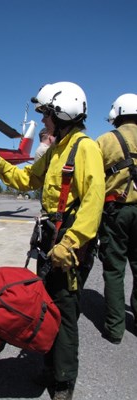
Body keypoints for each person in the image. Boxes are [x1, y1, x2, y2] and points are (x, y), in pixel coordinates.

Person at [0, 81, 105, 400]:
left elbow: (94, 199)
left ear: (63, 114)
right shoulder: (56, 150)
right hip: (50, 238)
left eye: (47, 114)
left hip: (69, 242)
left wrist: (72, 242)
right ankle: (50, 367)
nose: (44, 121)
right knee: (46, 305)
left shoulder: (85, 148)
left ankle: (63, 381)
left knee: (65, 310)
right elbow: (25, 180)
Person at [96, 93, 137, 344]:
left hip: (116, 211)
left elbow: (91, 178)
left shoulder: (106, 140)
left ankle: (115, 328)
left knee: (114, 270)